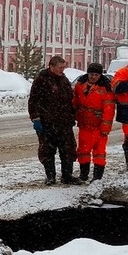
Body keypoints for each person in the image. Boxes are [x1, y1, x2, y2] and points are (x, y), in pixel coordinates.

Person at [28, 55, 81, 185]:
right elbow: (33, 101)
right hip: (47, 123)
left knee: (68, 150)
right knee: (47, 151)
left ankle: (67, 176)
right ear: (51, 66)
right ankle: (50, 176)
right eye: (60, 67)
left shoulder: (64, 80)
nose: (62, 70)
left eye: (63, 67)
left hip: (64, 122)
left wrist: (71, 115)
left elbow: (70, 100)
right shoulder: (41, 80)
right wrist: (36, 118)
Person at [72, 63, 116, 181]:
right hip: (84, 123)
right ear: (88, 73)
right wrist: (73, 115)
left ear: (100, 75)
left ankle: (97, 176)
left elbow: (109, 110)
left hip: (99, 125)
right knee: (83, 150)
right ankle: (84, 174)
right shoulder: (80, 85)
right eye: (91, 74)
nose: (93, 77)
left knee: (99, 152)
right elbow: (75, 102)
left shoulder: (106, 89)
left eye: (96, 75)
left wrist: (106, 127)